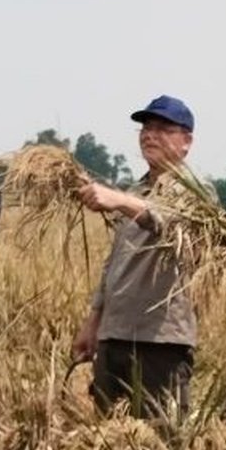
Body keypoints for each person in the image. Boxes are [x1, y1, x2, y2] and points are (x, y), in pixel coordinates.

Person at [71, 95, 202, 419]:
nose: (149, 135)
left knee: (156, 448)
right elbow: (113, 265)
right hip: (114, 336)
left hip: (159, 343)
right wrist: (94, 322)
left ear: (186, 141)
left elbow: (171, 223)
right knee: (106, 441)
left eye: (162, 128)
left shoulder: (196, 192)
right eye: (145, 128)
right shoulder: (136, 191)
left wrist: (118, 200)